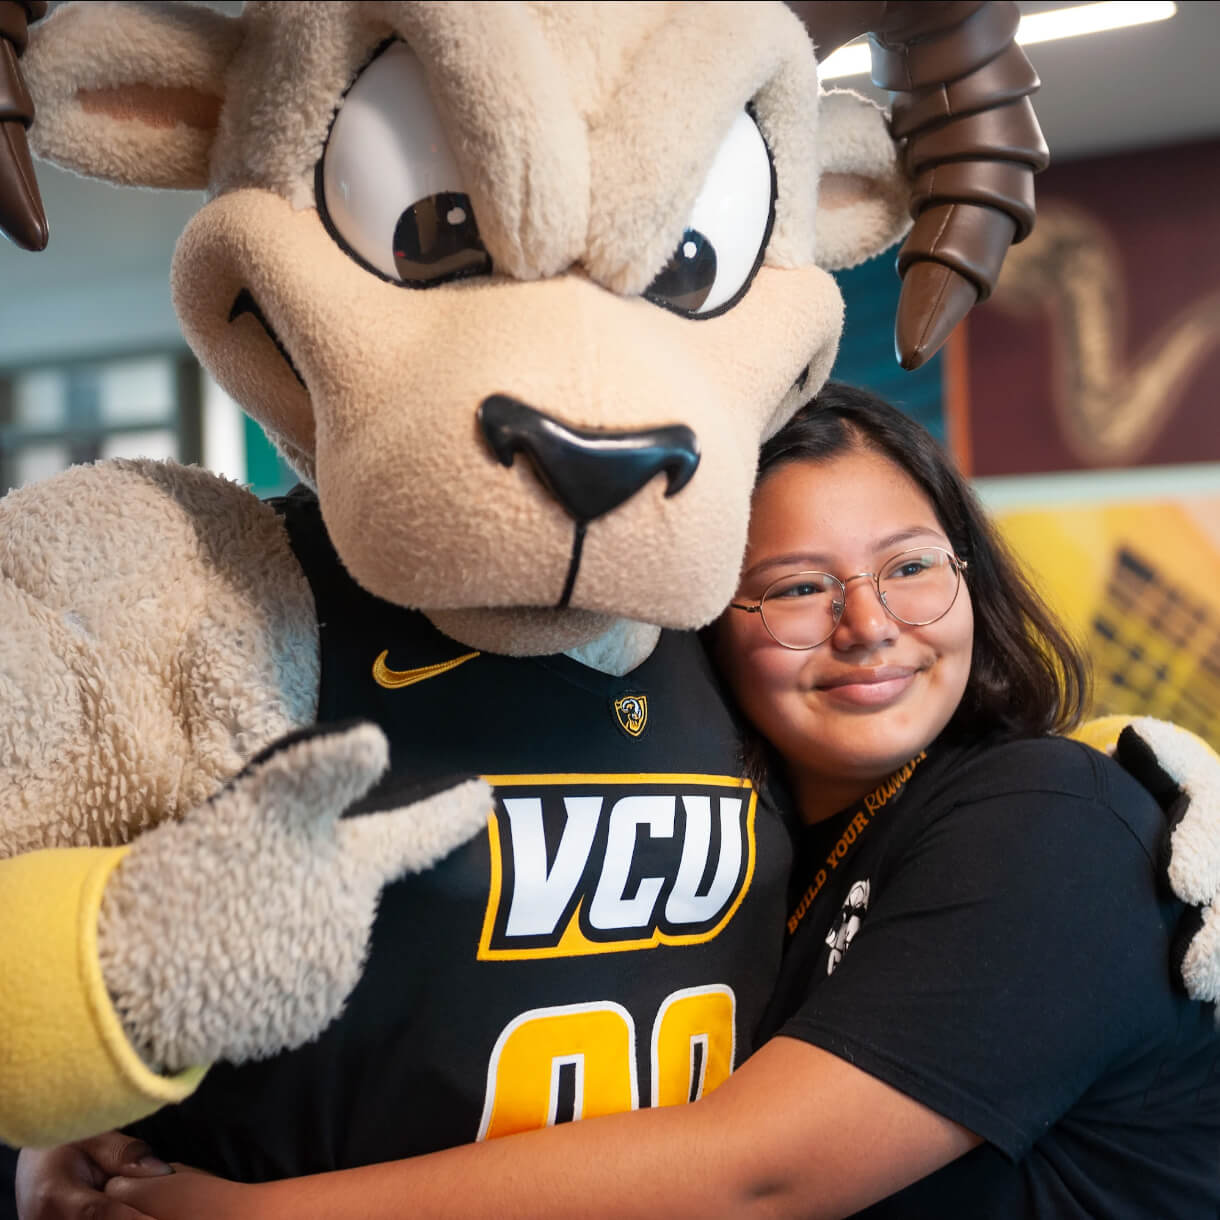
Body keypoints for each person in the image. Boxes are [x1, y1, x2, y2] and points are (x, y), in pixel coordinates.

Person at [19, 383, 1220, 1219]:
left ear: (968, 571)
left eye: (910, 563)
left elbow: (757, 1173)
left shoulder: (1056, 820)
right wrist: (117, 1109)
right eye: (795, 587)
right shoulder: (760, 831)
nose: (869, 624)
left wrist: (252, 1214)